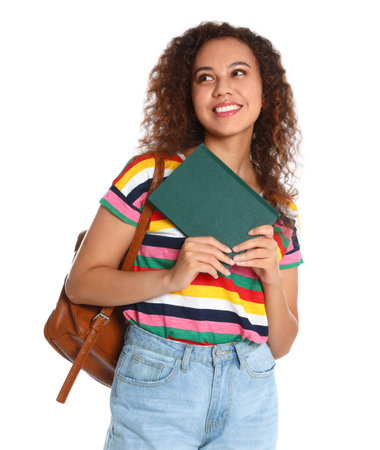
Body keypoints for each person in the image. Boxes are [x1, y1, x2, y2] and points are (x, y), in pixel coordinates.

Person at [65, 21, 303, 449]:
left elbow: (282, 343)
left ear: (265, 91)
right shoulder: (151, 176)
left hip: (251, 390)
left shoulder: (279, 210)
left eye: (238, 73)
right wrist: (170, 278)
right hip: (159, 382)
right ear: (188, 95)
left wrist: (270, 279)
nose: (222, 89)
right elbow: (81, 282)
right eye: (204, 77)